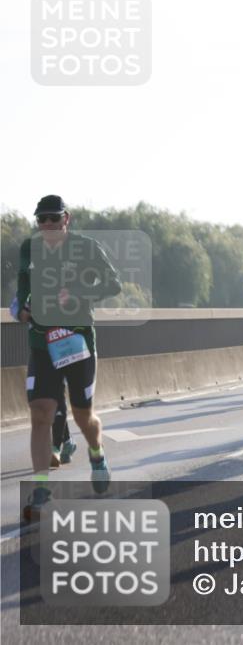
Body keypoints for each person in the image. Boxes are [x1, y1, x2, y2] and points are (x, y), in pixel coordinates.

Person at [18, 195, 121, 520]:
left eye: (53, 218)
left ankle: (96, 451)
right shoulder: (28, 249)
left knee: (82, 416)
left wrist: (78, 294)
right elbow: (22, 289)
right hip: (41, 342)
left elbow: (113, 283)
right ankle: (41, 489)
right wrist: (21, 308)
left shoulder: (85, 247)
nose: (47, 225)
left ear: (67, 218)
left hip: (77, 341)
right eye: (41, 220)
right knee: (40, 412)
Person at [9, 296, 76, 468]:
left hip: (60, 345)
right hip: (38, 350)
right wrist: (21, 312)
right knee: (39, 398)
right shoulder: (30, 286)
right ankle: (67, 440)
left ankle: (55, 447)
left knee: (57, 393)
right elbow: (15, 305)